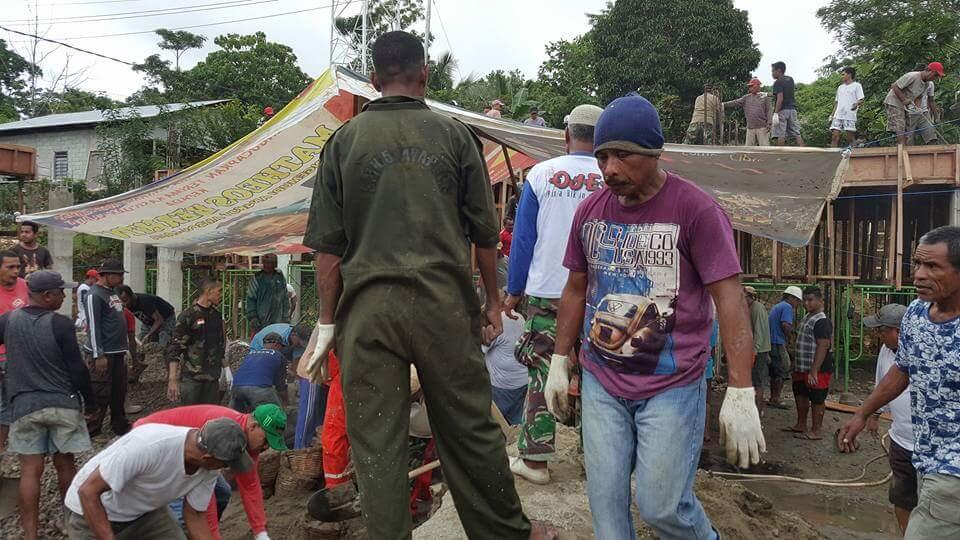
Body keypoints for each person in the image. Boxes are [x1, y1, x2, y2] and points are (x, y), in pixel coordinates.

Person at [301, 31, 542, 539]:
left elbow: (328, 249)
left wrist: (326, 324)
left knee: (377, 441)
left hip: (367, 313)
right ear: (425, 74)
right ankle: (505, 534)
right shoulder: (455, 137)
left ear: (373, 81)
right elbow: (483, 234)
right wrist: (492, 304)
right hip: (443, 308)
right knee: (469, 429)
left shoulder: (342, 142)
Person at [548, 94, 764, 538]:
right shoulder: (591, 211)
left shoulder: (696, 210)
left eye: (622, 155)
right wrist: (558, 358)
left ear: (654, 153)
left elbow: (729, 298)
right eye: (603, 155)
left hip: (672, 384)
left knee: (663, 507)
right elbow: (575, 288)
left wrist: (741, 389)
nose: (609, 169)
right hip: (602, 381)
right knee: (607, 512)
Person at [504, 103, 604, 484]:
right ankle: (596, 460)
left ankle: (535, 461)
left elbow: (524, 240)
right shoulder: (612, 175)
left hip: (549, 292)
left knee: (544, 370)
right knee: (598, 373)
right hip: (599, 296)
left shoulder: (542, 174)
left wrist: (513, 291)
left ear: (566, 136)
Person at [839, 226, 960, 538]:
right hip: (925, 457)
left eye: (932, 266)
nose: (919, 275)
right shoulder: (916, 314)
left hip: (952, 471)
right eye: (917, 265)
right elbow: (902, 370)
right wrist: (864, 412)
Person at [1, 270, 92, 540]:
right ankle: (69, 523)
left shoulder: (7, 321)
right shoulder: (60, 324)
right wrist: (92, 401)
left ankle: (30, 533)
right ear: (46, 295)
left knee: (30, 470)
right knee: (65, 464)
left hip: (25, 405)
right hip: (62, 403)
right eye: (60, 292)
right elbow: (77, 368)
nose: (64, 296)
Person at [64, 418, 251, 540]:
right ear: (208, 458)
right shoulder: (149, 446)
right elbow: (87, 491)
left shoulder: (209, 468)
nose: (227, 469)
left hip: (144, 512)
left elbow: (195, 516)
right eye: (225, 464)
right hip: (91, 510)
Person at [135, 404, 288, 540]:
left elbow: (250, 485)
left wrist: (260, 532)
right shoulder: (223, 431)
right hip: (152, 446)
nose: (267, 447)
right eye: (266, 440)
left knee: (222, 492)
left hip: (187, 457)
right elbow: (205, 501)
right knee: (180, 517)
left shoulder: (246, 440)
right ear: (253, 427)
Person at [860, 303, 915, 533]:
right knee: (901, 497)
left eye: (881, 329)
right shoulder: (885, 351)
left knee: (933, 503)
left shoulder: (922, 352)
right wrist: (873, 414)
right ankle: (905, 534)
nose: (878, 334)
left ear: (897, 331)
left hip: (927, 444)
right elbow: (881, 384)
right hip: (900, 439)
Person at [81, 259, 131, 436]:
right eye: (119, 275)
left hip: (117, 351)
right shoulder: (94, 295)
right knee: (99, 391)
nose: (121, 278)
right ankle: (93, 427)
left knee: (119, 390)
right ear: (108, 275)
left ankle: (119, 423)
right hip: (104, 353)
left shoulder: (112, 292)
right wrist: (98, 354)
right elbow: (93, 326)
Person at [168, 278, 226, 406]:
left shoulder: (216, 316)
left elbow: (220, 345)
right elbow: (175, 349)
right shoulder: (188, 316)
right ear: (208, 291)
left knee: (210, 419)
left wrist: (226, 371)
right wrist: (172, 379)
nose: (221, 295)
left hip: (212, 379)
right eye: (219, 291)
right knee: (190, 418)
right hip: (192, 379)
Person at [786, 286, 833, 441]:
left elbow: (823, 345)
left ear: (821, 301)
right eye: (805, 300)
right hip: (802, 366)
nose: (806, 303)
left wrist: (814, 370)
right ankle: (801, 424)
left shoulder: (822, 321)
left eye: (810, 300)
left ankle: (816, 430)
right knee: (800, 394)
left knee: (817, 398)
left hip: (817, 368)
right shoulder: (807, 317)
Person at [0, 250, 28, 448]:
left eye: (18, 267)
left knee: (15, 405)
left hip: (21, 357)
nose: (15, 271)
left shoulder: (26, 286)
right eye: (10, 267)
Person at [483, 308, 527, 426]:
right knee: (517, 422)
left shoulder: (497, 323)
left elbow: (481, 349)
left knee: (496, 423)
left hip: (502, 385)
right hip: (522, 380)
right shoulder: (519, 317)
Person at [884, 62, 945, 145]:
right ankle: (902, 150)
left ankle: (904, 149)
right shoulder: (912, 76)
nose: (935, 78)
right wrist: (904, 99)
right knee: (900, 128)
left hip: (905, 106)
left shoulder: (926, 84)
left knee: (906, 131)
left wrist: (918, 108)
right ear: (928, 70)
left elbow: (918, 97)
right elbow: (894, 86)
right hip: (894, 102)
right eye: (935, 75)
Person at [230, 333, 288, 413]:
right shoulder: (278, 355)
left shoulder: (250, 354)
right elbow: (281, 386)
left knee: (237, 417)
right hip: (259, 389)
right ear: (276, 344)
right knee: (275, 417)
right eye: (281, 346)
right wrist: (286, 403)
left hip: (236, 388)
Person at [767, 285, 802, 409]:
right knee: (782, 369)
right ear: (792, 298)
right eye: (797, 301)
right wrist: (791, 337)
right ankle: (776, 398)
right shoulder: (787, 307)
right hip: (778, 341)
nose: (797, 304)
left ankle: (773, 397)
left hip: (771, 341)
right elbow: (785, 325)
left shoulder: (778, 306)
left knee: (775, 370)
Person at [244, 254, 290, 336]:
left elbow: (285, 299)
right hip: (260, 321)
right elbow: (250, 299)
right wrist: (253, 317)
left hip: (278, 320)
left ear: (274, 264)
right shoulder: (257, 279)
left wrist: (286, 317)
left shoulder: (280, 278)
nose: (267, 265)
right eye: (265, 263)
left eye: (270, 263)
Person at [744, 286, 771, 413]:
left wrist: (754, 351)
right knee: (753, 381)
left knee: (757, 381)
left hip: (759, 351)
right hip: (754, 350)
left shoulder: (757, 309)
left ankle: (758, 412)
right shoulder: (750, 308)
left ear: (748, 297)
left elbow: (759, 333)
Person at [723, 78, 772, 146]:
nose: (750, 88)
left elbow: (769, 110)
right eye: (749, 86)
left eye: (751, 86)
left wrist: (769, 123)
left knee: (764, 147)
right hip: (750, 127)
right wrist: (723, 104)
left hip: (762, 127)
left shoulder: (765, 97)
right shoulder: (746, 98)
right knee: (748, 149)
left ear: (757, 86)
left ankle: (766, 157)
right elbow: (735, 102)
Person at [830, 67, 865, 147]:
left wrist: (856, 104)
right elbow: (836, 103)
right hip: (838, 114)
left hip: (849, 115)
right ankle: (832, 155)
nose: (841, 76)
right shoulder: (840, 87)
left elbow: (861, 99)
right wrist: (832, 115)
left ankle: (855, 151)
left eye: (843, 74)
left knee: (850, 137)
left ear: (849, 75)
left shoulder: (857, 86)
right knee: (834, 136)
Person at [771, 61, 804, 146]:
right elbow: (785, 93)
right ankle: (804, 152)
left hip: (782, 110)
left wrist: (775, 112)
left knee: (781, 134)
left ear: (778, 70)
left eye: (773, 71)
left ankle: (780, 155)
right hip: (792, 110)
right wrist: (767, 94)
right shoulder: (790, 79)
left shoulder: (777, 82)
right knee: (796, 132)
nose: (772, 73)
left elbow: (780, 98)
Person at [909, 79, 939, 145]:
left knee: (931, 137)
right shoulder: (911, 81)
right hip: (909, 114)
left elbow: (931, 101)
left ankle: (934, 154)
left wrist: (936, 118)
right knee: (908, 140)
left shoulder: (930, 84)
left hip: (923, 113)